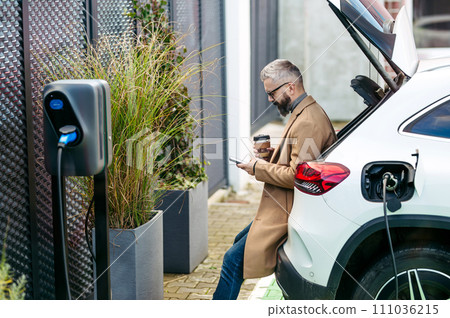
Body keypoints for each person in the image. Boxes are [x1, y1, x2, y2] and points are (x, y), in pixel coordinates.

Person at [212, 59, 337, 300]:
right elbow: (298, 161)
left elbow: (296, 176)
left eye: (272, 93)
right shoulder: (303, 112)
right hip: (282, 208)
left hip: (288, 212)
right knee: (240, 243)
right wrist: (270, 156)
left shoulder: (308, 120)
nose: (269, 99)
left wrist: (257, 167)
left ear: (290, 87)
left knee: (232, 261)